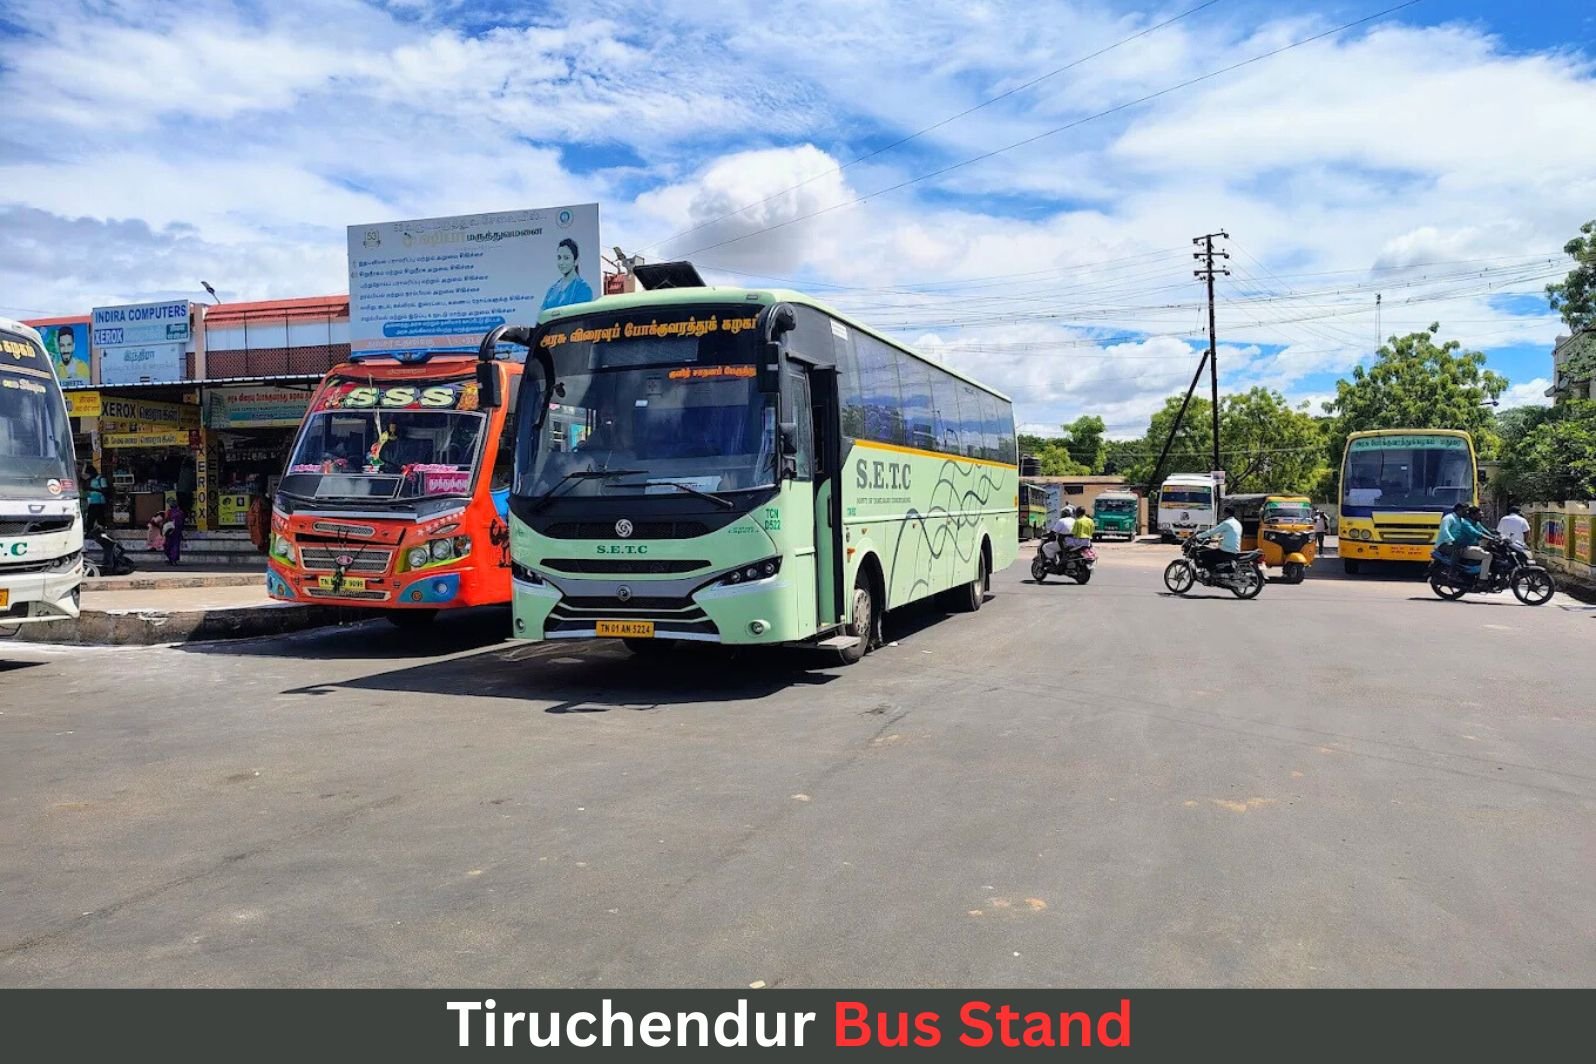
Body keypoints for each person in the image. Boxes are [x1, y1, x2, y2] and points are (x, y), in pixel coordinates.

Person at [541, 238, 594, 310]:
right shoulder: (553, 289)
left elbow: (579, 317)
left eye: (566, 258)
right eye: (559, 258)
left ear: (576, 261)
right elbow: (542, 316)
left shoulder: (583, 289)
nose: (561, 262)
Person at [1191, 504, 1243, 573]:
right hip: (1235, 550)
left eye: (1224, 513)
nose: (1223, 515)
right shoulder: (1237, 523)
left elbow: (1212, 531)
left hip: (1227, 550)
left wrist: (1197, 536)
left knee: (1204, 554)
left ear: (1226, 513)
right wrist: (1213, 540)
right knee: (1213, 552)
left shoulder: (1227, 523)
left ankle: (1211, 574)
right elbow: (1228, 537)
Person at [83, 463, 109, 532]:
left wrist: (93, 489)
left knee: (99, 517)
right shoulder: (91, 479)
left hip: (100, 502)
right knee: (90, 518)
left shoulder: (101, 478)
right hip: (92, 501)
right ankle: (90, 531)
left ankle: (101, 531)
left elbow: (105, 490)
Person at [162, 500, 185, 566]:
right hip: (177, 531)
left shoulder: (169, 512)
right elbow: (182, 523)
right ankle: (173, 559)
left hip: (169, 531)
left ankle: (171, 559)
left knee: (168, 545)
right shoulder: (180, 512)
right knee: (175, 545)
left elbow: (165, 520)